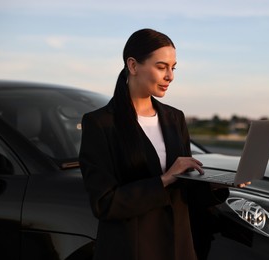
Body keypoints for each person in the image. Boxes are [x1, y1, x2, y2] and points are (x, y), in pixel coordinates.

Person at [79, 28, 244, 260]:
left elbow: (184, 191)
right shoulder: (100, 123)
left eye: (173, 68)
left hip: (179, 249)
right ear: (133, 66)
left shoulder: (175, 118)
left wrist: (217, 185)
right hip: (132, 250)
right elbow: (105, 204)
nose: (170, 76)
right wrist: (164, 179)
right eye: (161, 67)